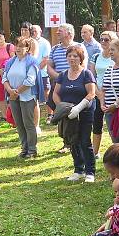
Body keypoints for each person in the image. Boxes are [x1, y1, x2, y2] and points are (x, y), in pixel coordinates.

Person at [53, 44, 97, 182]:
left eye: (75, 56)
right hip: (69, 116)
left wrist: (78, 108)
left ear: (80, 58)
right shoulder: (63, 75)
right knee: (73, 142)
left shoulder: (86, 74)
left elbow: (91, 93)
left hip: (84, 113)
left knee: (85, 141)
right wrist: (62, 107)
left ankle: (90, 171)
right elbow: (55, 93)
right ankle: (78, 170)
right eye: (69, 56)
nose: (72, 58)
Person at [2, 37, 41, 158]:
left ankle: (32, 150)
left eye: (21, 46)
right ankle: (24, 148)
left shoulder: (32, 62)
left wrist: (17, 91)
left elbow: (30, 80)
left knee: (28, 123)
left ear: (27, 48)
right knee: (19, 123)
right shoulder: (10, 62)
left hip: (27, 97)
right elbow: (4, 78)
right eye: (16, 46)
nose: (18, 48)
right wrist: (10, 91)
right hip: (13, 97)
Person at [48, 23, 81, 152]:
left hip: (76, 85)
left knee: (74, 113)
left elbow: (83, 65)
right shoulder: (55, 48)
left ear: (69, 33)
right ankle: (66, 142)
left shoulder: (79, 47)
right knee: (62, 112)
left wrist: (70, 78)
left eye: (60, 31)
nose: (57, 33)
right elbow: (49, 66)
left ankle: (76, 141)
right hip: (59, 85)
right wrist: (60, 78)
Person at [89, 31, 116, 157]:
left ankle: (118, 149)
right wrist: (98, 94)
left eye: (107, 39)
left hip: (113, 95)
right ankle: (95, 152)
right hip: (98, 93)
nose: (104, 42)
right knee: (97, 122)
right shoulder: (95, 56)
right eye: (102, 39)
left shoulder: (116, 56)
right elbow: (91, 76)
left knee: (114, 124)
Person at [31, 24, 52, 130]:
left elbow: (46, 58)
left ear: (40, 31)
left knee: (46, 93)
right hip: (31, 74)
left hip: (42, 73)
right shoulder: (29, 42)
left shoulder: (45, 43)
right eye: (32, 31)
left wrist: (36, 70)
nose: (34, 32)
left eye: (36, 31)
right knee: (33, 95)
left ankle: (50, 114)